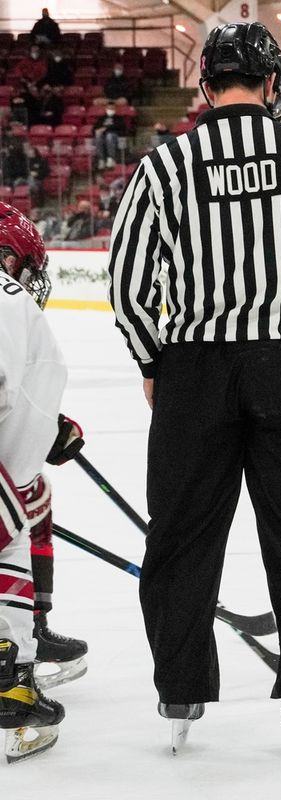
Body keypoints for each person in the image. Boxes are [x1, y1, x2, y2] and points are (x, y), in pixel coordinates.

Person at [106, 21, 281, 755]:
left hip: (196, 370)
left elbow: (129, 286)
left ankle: (182, 689)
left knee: (184, 533)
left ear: (204, 87)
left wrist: (153, 363)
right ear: (270, 85)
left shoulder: (164, 165)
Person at [0, 204, 80, 763]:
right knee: (9, 538)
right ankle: (10, 687)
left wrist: (44, 428)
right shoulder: (5, 298)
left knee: (18, 522)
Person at [93, 103, 130, 169]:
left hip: (115, 136)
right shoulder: (102, 118)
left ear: (115, 109)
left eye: (112, 108)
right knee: (98, 136)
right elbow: (95, 128)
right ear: (106, 109)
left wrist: (106, 129)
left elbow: (121, 128)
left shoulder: (119, 118)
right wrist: (98, 130)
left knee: (109, 136)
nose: (110, 110)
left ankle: (111, 158)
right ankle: (101, 159)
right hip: (103, 136)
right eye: (109, 108)